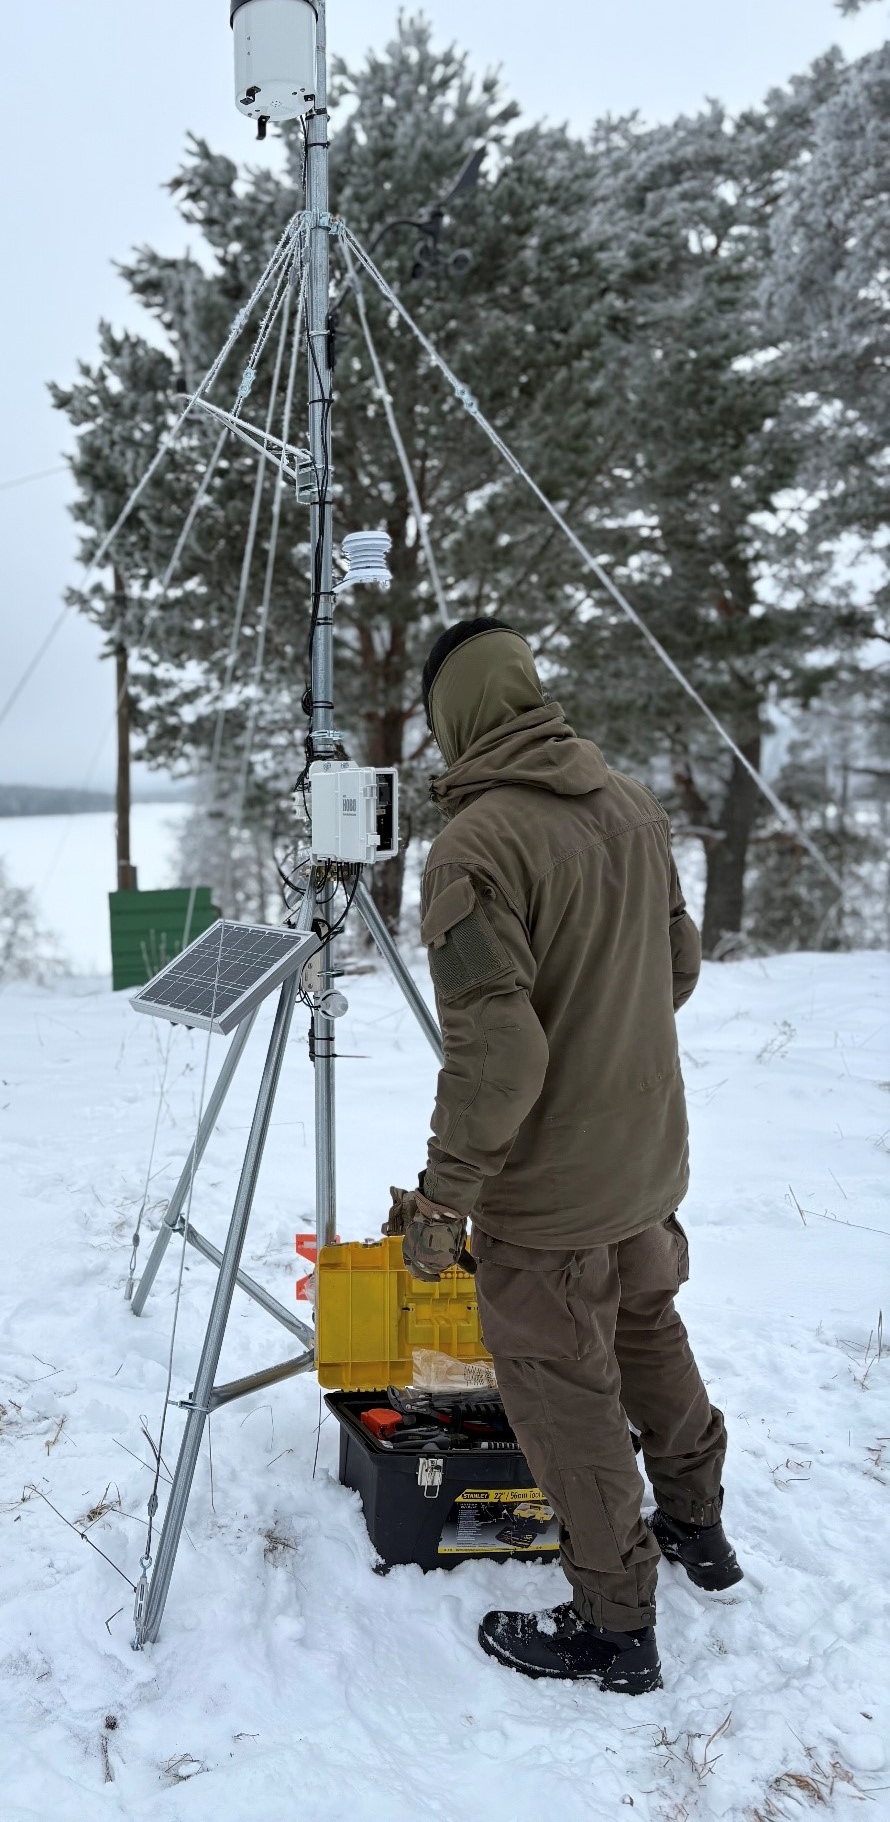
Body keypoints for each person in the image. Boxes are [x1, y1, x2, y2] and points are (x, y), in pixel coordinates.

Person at [386, 617, 741, 1697]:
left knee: (563, 1390)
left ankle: (613, 1622)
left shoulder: (477, 846)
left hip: (551, 1190)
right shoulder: (631, 803)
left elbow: (497, 1061)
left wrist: (445, 1200)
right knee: (648, 1326)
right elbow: (676, 967)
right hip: (645, 1154)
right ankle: (701, 1530)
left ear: (453, 717)